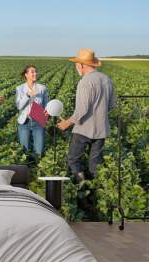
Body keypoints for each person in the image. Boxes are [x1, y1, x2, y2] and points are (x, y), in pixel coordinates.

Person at [58, 48, 116, 182]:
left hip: (83, 129)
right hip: (102, 129)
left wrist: (67, 122)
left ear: (82, 65)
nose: (76, 66)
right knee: (95, 163)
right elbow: (112, 105)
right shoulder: (107, 79)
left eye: (77, 64)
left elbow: (82, 110)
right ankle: (96, 190)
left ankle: (83, 189)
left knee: (73, 160)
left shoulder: (85, 82)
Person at [15, 65, 49, 156]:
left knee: (39, 149)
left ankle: (37, 166)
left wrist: (47, 111)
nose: (35, 74)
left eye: (35, 71)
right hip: (24, 121)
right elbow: (19, 106)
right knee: (24, 149)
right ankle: (25, 168)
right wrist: (28, 95)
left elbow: (46, 103)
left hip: (38, 121)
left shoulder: (42, 88)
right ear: (26, 75)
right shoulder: (20, 88)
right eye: (32, 72)